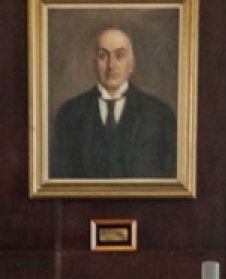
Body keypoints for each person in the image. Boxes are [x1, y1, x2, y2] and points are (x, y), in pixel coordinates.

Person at [50, 27, 176, 179]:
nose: (111, 65)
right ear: (94, 63)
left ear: (132, 64)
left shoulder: (160, 115)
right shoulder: (69, 114)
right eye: (103, 56)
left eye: (119, 55)